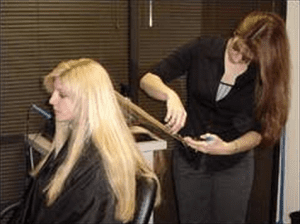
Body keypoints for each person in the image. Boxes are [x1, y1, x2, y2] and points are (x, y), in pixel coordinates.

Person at [140, 11, 290, 224]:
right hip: (189, 162)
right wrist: (169, 95)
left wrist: (229, 147)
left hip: (234, 165)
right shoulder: (203, 49)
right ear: (236, 33)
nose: (237, 57)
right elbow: (148, 79)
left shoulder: (264, 75)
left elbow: (262, 131)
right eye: (236, 48)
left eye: (247, 57)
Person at [10, 58, 159, 224]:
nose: (51, 100)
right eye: (54, 92)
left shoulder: (97, 169)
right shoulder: (71, 147)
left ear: (88, 103)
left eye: (62, 95)